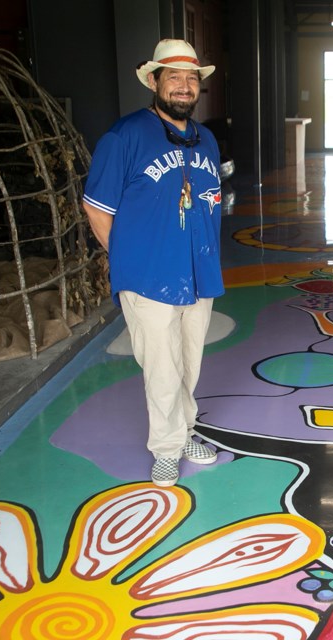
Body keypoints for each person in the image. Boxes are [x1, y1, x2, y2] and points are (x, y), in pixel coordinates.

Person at [82, 39, 223, 487]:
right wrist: (131, 261)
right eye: (174, 77)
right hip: (148, 277)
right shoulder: (124, 136)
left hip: (199, 273)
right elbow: (97, 209)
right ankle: (165, 449)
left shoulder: (208, 139)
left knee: (188, 361)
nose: (184, 86)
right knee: (161, 367)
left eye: (191, 78)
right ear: (155, 82)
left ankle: (185, 433)